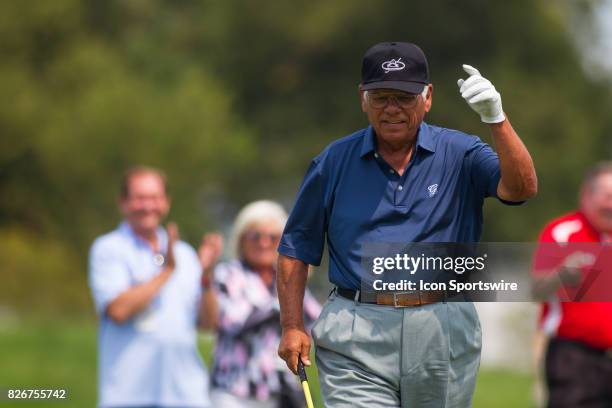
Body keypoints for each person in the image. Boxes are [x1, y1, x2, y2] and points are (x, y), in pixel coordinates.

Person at [277, 41, 537, 407]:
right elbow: (295, 249)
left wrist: (497, 119)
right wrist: (291, 326)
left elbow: (521, 188)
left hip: (442, 325)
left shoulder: (461, 152)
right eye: (381, 97)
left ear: (427, 97)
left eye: (404, 96)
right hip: (356, 328)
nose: (392, 109)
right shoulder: (333, 161)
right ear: (363, 99)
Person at [88, 166, 216, 408]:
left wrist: (206, 277)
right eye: (139, 198)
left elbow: (208, 324)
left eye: (155, 198)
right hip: (129, 393)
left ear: (166, 202)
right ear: (123, 203)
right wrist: (166, 272)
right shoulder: (108, 249)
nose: (148, 206)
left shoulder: (185, 253)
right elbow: (117, 310)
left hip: (185, 394)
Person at [198, 200, 321, 408]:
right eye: (255, 236)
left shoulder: (287, 280)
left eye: (272, 237)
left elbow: (316, 322)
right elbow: (233, 323)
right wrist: (282, 306)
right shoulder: (228, 274)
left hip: (278, 393)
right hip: (233, 393)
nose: (263, 243)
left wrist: (300, 274)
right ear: (241, 240)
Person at [532, 162, 612, 408]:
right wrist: (562, 274)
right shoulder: (562, 233)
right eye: (608, 197)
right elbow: (536, 289)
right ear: (586, 194)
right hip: (574, 358)